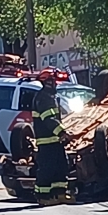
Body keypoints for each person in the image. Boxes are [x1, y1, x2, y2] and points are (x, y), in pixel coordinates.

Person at [32, 68, 71, 205]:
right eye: (54, 81)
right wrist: (62, 132)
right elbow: (49, 119)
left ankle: (59, 194)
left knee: (61, 167)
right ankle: (43, 196)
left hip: (55, 141)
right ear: (48, 82)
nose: (56, 84)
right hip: (47, 141)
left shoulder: (51, 97)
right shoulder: (43, 98)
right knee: (47, 168)